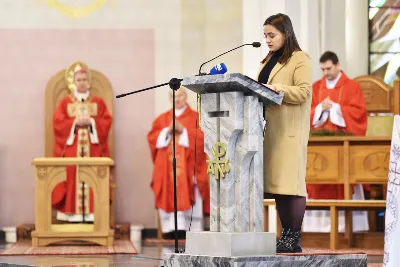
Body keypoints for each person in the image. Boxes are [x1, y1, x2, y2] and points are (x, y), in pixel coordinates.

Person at [257, 13, 312, 253]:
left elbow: (303, 93)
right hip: (270, 132)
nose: (267, 40)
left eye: (272, 35)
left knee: (292, 185)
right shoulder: (268, 59)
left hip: (290, 131)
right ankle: (285, 235)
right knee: (279, 185)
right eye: (265, 35)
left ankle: (293, 236)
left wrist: (276, 88)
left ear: (285, 34)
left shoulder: (300, 59)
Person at [303, 51, 369, 233]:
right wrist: (319, 109)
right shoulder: (316, 87)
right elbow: (305, 114)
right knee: (317, 175)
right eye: (322, 69)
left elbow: (359, 114)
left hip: (343, 145)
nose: (325, 72)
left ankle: (347, 227)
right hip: (320, 146)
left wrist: (336, 108)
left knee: (343, 177)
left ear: (338, 65)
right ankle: (316, 228)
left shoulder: (352, 86)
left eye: (329, 68)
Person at [147, 87, 210, 239]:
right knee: (168, 189)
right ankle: (170, 231)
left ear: (185, 96)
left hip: (189, 168)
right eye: (174, 97)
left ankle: (191, 231)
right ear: (170, 99)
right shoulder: (162, 119)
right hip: (167, 169)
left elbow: (203, 139)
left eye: (180, 96)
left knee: (191, 189)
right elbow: (152, 138)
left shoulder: (196, 117)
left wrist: (184, 132)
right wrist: (166, 131)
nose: (177, 99)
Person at [51, 68, 112, 222]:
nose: (82, 82)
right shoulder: (65, 102)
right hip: (72, 150)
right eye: (79, 80)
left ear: (89, 82)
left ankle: (92, 214)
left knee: (93, 177)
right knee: (72, 176)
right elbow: (58, 124)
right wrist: (74, 123)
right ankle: (72, 215)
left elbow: (106, 122)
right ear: (74, 82)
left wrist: (92, 122)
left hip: (93, 148)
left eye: (85, 79)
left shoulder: (98, 102)